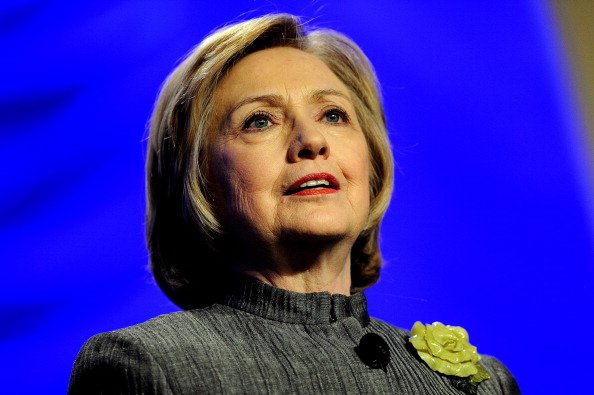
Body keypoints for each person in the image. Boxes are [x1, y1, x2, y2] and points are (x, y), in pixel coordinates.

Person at [68, 14, 520, 394]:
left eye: (333, 114)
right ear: (201, 182)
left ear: (372, 162)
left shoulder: (483, 384)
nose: (312, 141)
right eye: (259, 120)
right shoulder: (147, 367)